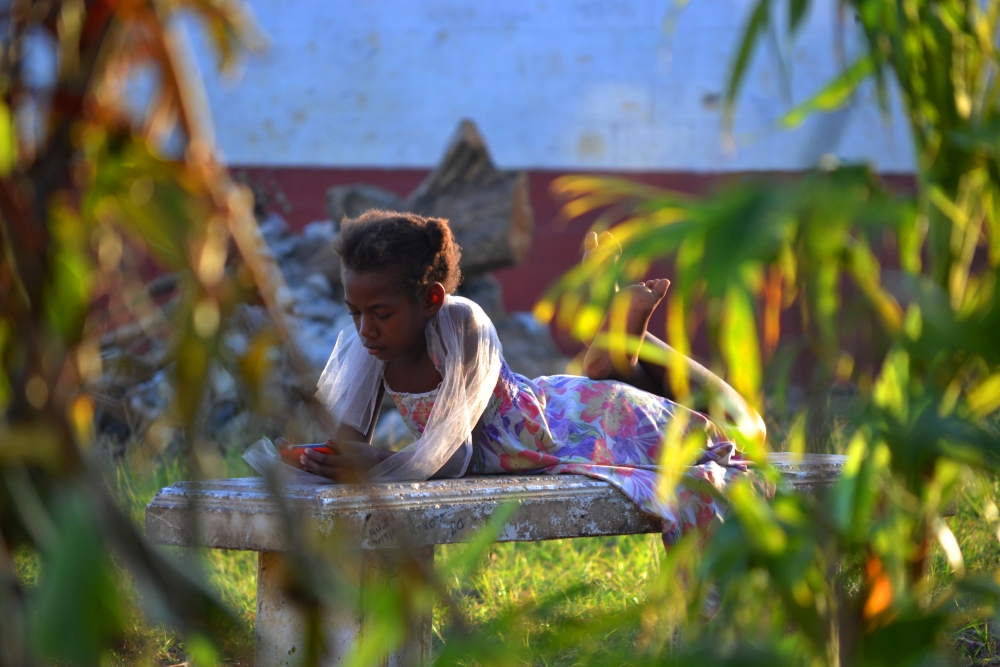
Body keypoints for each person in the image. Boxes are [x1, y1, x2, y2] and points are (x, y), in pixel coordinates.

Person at [275, 210, 763, 544]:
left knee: (746, 431)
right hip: (553, 428)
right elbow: (345, 445)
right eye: (355, 312)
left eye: (379, 312)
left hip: (572, 429)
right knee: (664, 399)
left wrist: (374, 459)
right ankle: (615, 354)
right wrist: (326, 461)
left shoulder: (462, 323)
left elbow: (455, 455)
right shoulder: (372, 340)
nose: (365, 328)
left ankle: (627, 349)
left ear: (431, 300)